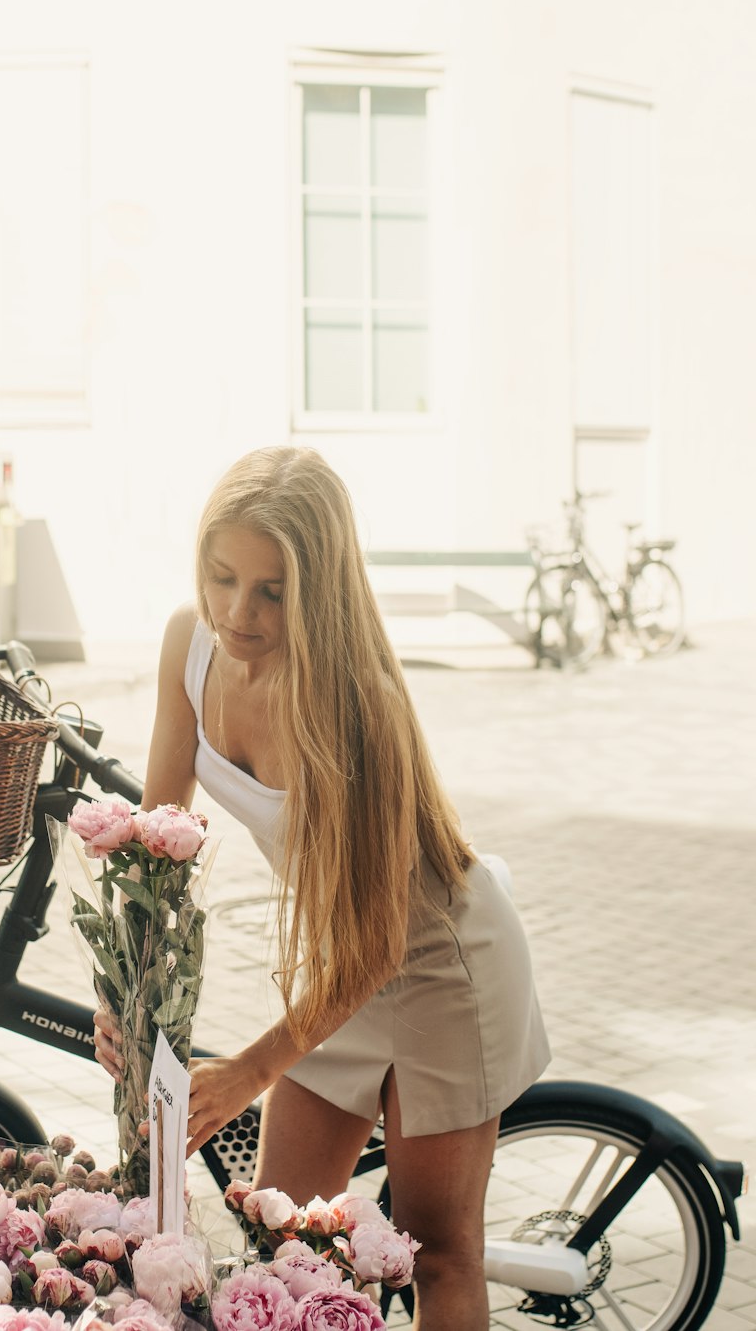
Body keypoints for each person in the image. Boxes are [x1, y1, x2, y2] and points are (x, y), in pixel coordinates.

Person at [94, 446, 550, 1330]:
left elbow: (385, 942)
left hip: (442, 969)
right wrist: (124, 995)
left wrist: (250, 1073)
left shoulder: (356, 702)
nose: (238, 611)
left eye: (273, 590)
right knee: (280, 1234)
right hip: (341, 967)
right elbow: (156, 849)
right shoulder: (190, 645)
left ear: (321, 587)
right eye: (223, 576)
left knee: (437, 1252)